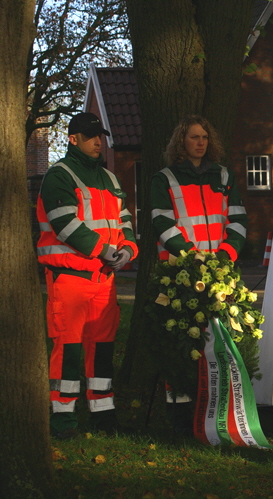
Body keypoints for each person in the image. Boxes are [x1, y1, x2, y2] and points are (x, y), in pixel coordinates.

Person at [37, 112, 138, 439]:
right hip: (69, 279)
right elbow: (64, 224)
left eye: (100, 136)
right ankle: (63, 421)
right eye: (91, 136)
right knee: (67, 350)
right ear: (73, 139)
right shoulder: (59, 175)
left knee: (103, 349)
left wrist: (128, 250)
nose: (99, 142)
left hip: (103, 280)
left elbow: (124, 224)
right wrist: (105, 251)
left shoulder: (110, 178)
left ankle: (103, 415)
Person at [150, 115, 248, 433]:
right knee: (179, 344)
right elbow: (163, 222)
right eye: (194, 137)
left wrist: (223, 258)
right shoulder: (164, 178)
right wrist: (193, 260)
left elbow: (237, 219)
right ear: (182, 142)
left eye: (205, 137)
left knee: (217, 341)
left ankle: (217, 411)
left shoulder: (223, 175)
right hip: (180, 274)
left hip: (218, 273)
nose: (200, 142)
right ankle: (179, 417)